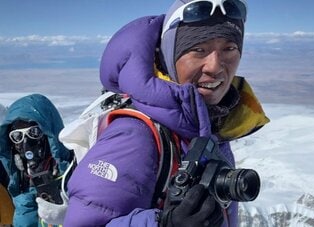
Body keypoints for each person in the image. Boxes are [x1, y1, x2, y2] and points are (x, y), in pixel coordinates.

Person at [64, 0, 269, 226]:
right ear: (170, 57)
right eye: (198, 49)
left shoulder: (210, 125)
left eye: (229, 49)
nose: (215, 66)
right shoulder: (135, 136)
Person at [0, 94, 73, 227]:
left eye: (33, 132)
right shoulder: (17, 177)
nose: (26, 142)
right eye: (17, 136)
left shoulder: (75, 171)